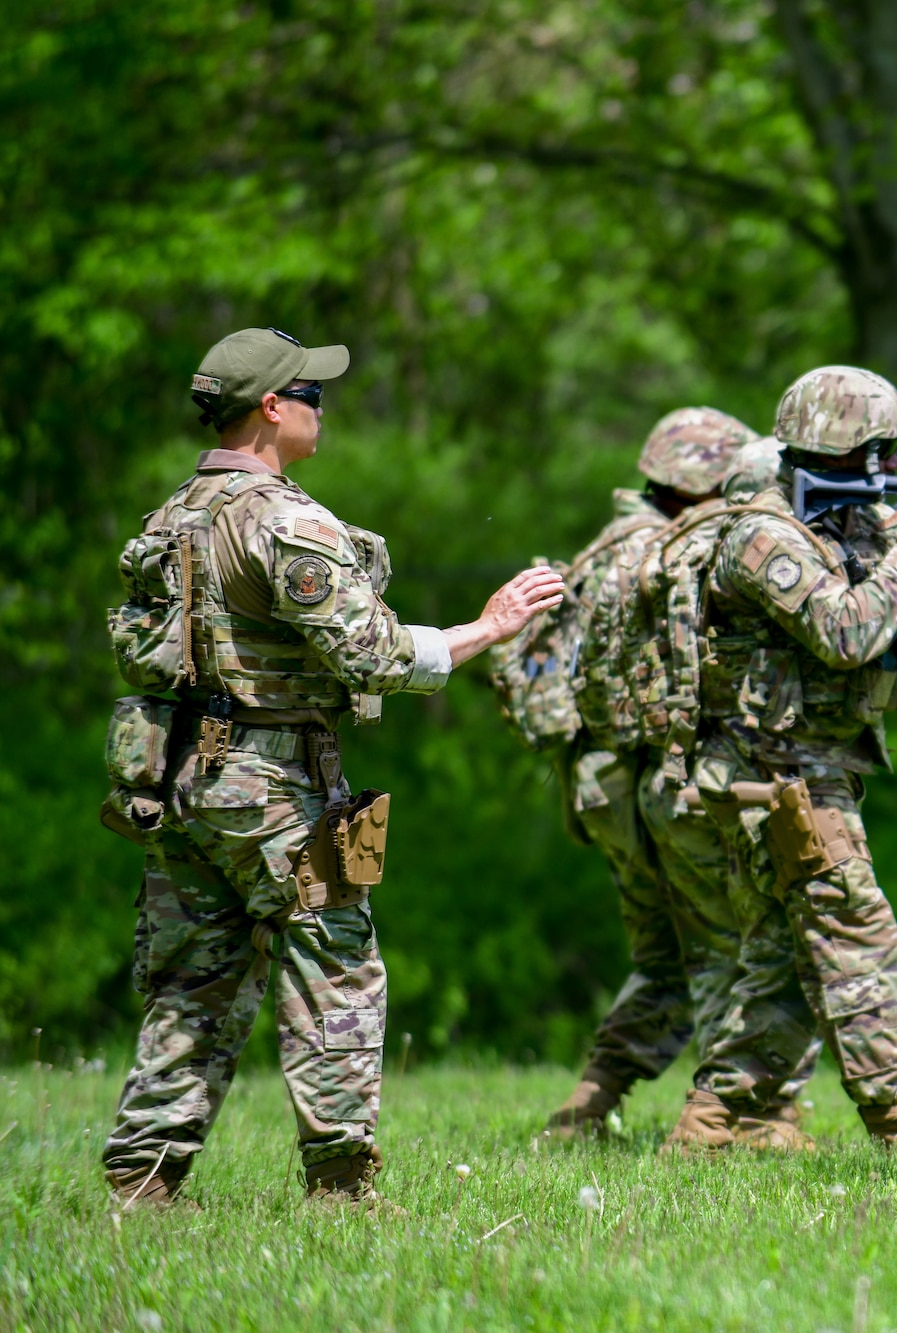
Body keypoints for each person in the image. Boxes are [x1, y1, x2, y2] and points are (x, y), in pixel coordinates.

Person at [100, 327, 565, 1206]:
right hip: (276, 785)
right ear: (272, 408)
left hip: (180, 782)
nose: (324, 406)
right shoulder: (285, 518)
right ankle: (342, 1185)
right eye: (311, 392)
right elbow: (374, 656)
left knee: (195, 982)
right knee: (336, 968)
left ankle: (142, 1178)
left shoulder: (170, 518)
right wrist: (488, 626)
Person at [667, 365, 897, 1151]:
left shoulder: (848, 524)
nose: (885, 471)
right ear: (836, 448)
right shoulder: (763, 531)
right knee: (860, 937)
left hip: (804, 770)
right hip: (775, 776)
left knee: (784, 962)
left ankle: (712, 1121)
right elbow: (847, 632)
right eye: (874, 455)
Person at [541, 410, 786, 1140]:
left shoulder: (600, 550)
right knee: (724, 947)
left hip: (599, 780)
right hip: (658, 772)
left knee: (664, 953)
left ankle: (594, 1094)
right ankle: (734, 1113)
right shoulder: (674, 549)